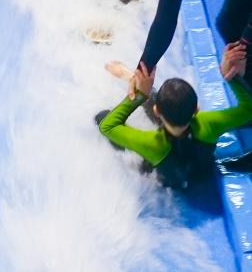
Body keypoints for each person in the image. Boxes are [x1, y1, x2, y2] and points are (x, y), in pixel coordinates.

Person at [96, 43, 252, 189]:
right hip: (200, 174)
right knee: (170, 105)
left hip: (161, 181)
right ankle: (133, 80)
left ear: (156, 111)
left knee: (102, 116)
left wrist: (140, 95)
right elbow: (248, 110)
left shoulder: (151, 143)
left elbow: (107, 125)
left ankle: (131, 78)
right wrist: (231, 77)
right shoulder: (209, 123)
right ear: (196, 109)